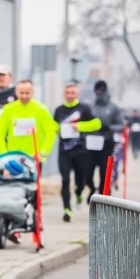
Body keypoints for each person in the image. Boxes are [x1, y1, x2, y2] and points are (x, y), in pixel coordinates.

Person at [0, 80, 57, 242]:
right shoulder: (8, 110)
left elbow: (51, 132)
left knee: (30, 192)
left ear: (32, 92)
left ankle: (27, 218)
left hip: (32, 160)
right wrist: (4, 154)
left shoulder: (41, 110)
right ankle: (8, 220)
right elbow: (0, 134)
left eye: (27, 93)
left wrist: (42, 152)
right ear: (16, 93)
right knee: (9, 188)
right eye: (21, 93)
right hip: (12, 160)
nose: (24, 96)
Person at [52, 83, 102, 221]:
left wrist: (78, 126)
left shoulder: (84, 109)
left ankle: (79, 193)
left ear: (77, 94)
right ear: (64, 94)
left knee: (80, 181)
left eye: (72, 93)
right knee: (65, 180)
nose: (70, 95)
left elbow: (97, 124)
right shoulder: (59, 110)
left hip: (80, 151)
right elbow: (53, 126)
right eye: (67, 93)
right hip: (64, 152)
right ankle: (67, 209)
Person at [86, 80, 124, 197]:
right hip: (90, 145)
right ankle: (91, 188)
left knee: (104, 172)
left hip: (107, 143)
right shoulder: (89, 107)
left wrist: (110, 128)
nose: (100, 92)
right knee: (88, 173)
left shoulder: (113, 108)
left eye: (102, 89)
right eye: (98, 89)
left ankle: (103, 196)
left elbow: (121, 125)